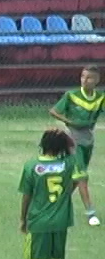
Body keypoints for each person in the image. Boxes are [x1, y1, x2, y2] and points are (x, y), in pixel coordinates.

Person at [19, 128, 88, 259]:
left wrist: (23, 219)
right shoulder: (69, 163)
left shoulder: (31, 166)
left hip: (38, 222)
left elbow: (26, 196)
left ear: (42, 145)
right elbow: (75, 177)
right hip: (61, 222)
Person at [49, 65, 102, 226]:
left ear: (97, 80)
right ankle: (91, 213)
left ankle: (56, 206)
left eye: (89, 77)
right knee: (82, 176)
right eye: (82, 77)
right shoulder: (71, 95)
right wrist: (68, 121)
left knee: (75, 178)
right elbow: (54, 111)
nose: (85, 80)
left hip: (88, 139)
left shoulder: (99, 98)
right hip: (73, 139)